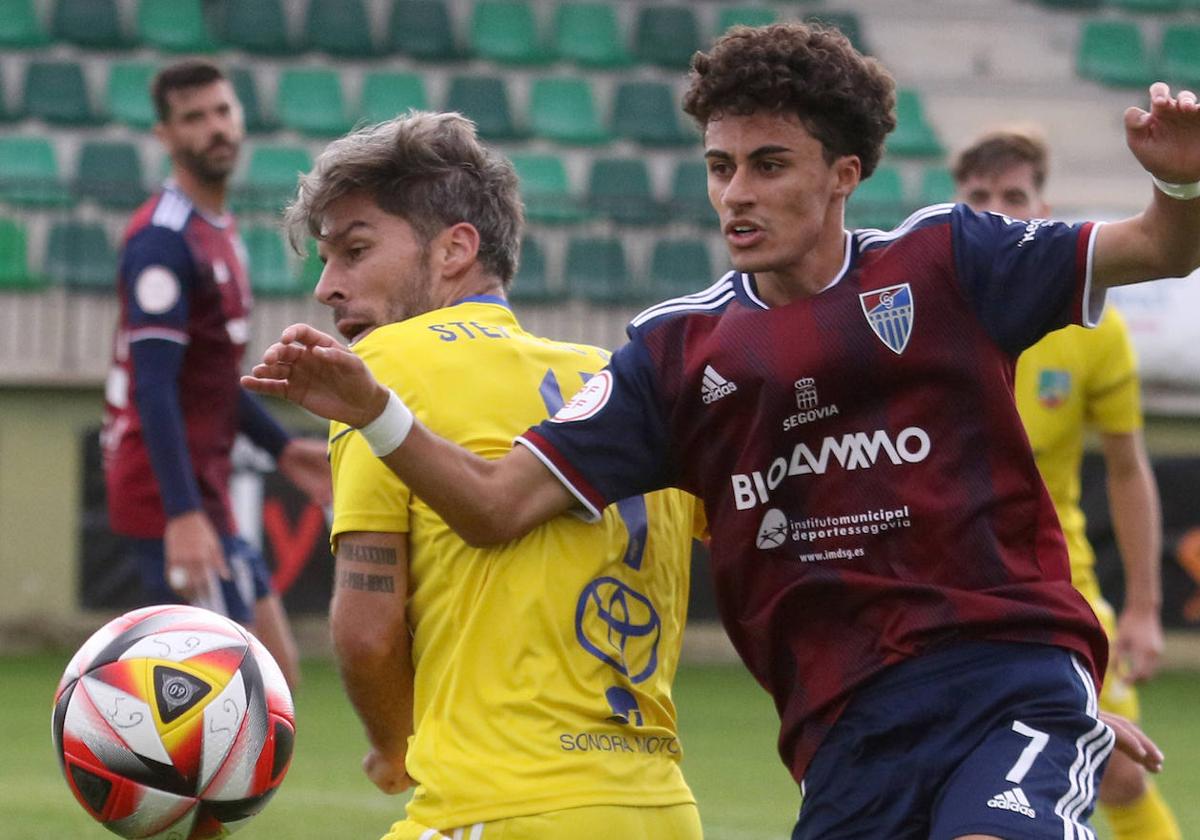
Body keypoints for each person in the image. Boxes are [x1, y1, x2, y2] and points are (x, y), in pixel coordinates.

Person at [245, 23, 1195, 839]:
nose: (735, 192)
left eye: (769, 165)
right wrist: (377, 412)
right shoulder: (674, 355)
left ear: (843, 175)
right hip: (846, 735)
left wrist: (1183, 190)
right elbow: (494, 509)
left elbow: (1158, 245)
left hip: (1004, 684)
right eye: (719, 166)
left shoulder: (947, 258)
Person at [277, 111, 705, 840]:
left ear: (455, 249)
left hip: (502, 809)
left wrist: (392, 745)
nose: (327, 287)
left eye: (354, 250)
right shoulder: (620, 380)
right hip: (659, 808)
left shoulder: (381, 371)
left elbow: (367, 631)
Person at [953, 128, 1180, 840]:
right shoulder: (925, 312)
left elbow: (1126, 467)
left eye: (1014, 196)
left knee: (1118, 766)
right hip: (946, 584)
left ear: (1042, 205)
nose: (999, 210)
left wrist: (1143, 606)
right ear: (958, 206)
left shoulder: (1092, 324)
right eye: (980, 197)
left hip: (1058, 583)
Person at [100, 59, 330, 688]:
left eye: (223, 111)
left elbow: (211, 378)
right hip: (166, 495)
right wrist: (180, 513)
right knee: (223, 704)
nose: (215, 128)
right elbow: (154, 383)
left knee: (277, 680)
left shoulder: (217, 231)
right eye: (194, 118)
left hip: (208, 490)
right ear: (166, 136)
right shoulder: (163, 239)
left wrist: (284, 451)